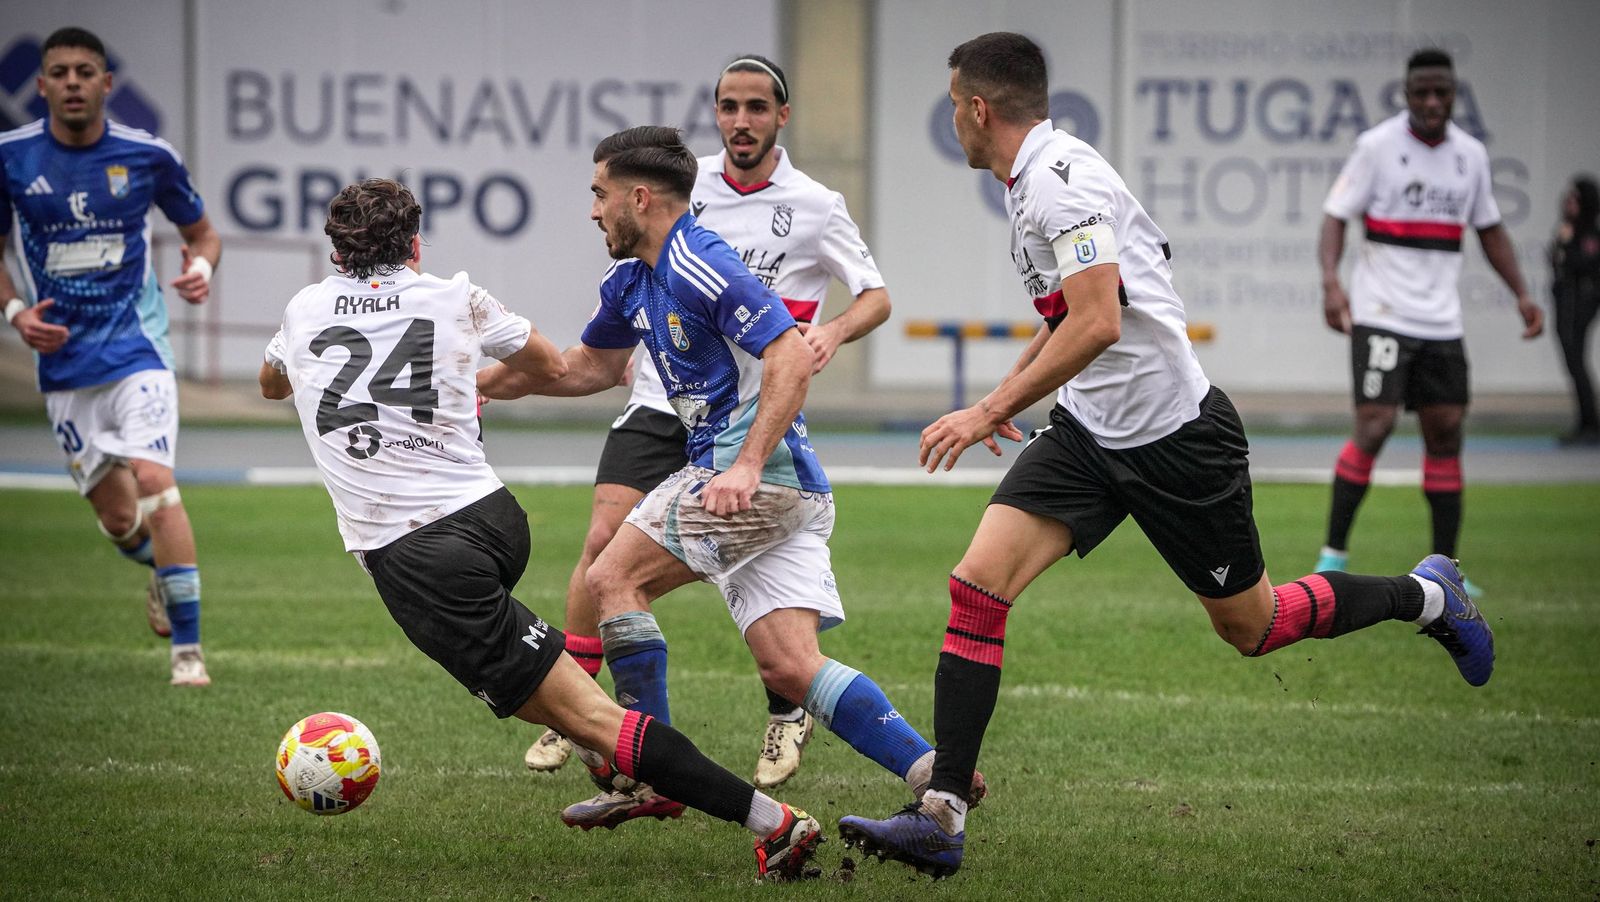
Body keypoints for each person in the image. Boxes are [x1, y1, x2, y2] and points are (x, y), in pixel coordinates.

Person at [836, 32, 1495, 879]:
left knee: (1252, 629)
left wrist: (989, 410)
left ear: (977, 108)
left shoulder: (1057, 183)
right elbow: (1065, 317)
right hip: (1088, 432)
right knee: (977, 585)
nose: (952, 120)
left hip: (1178, 440)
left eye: (953, 102)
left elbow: (1102, 320)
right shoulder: (1029, 181)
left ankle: (1426, 596)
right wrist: (1006, 395)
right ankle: (942, 814)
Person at [258, 178, 822, 881]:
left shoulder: (304, 308)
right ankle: (611, 763)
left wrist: (306, 367)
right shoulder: (455, 294)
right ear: (414, 244)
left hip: (418, 555)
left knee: (589, 716)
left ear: (336, 255)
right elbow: (549, 363)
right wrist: (464, 379)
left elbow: (271, 383)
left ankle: (775, 825)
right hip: (492, 519)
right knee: (536, 696)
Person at [480, 126, 976, 832]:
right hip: (786, 488)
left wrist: (744, 465)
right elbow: (579, 367)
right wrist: (478, 388)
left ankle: (650, 774)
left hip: (754, 477)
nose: (592, 211)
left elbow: (791, 356)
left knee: (611, 578)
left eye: (600, 194)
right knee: (790, 666)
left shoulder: (700, 261)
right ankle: (939, 787)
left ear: (639, 197)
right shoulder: (633, 279)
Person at [521, 54, 892, 791]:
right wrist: (484, 380)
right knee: (603, 551)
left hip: (748, 416)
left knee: (646, 573)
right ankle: (594, 718)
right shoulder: (682, 193)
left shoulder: (814, 204)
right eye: (729, 106)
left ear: (781, 116)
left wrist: (832, 332)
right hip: (663, 398)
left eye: (757, 107)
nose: (741, 120)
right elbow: (590, 355)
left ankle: (702, 738)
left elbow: (874, 296)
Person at [0, 27, 221, 685]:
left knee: (156, 481)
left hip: (138, 349)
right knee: (121, 520)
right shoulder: (10, 157)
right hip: (65, 365)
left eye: (85, 71)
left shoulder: (146, 156)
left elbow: (202, 233)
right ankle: (158, 569)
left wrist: (203, 269)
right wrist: (14, 313)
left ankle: (188, 653)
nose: (72, 82)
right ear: (40, 86)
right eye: (60, 72)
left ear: (106, 83)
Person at [1312, 48, 1544, 585]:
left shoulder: (1471, 156)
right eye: (1422, 92)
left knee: (1446, 433)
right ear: (1407, 93)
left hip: (1442, 322)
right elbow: (1335, 215)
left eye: (1443, 91)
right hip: (1383, 312)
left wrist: (1522, 294)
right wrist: (1331, 282)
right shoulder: (1377, 147)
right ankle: (1332, 555)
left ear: (1454, 93)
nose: (1433, 101)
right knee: (1375, 425)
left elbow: (1489, 229)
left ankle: (1446, 570)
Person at [1550, 175, 1600, 447]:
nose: (1568, 204)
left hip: (1579, 305)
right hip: (1565, 303)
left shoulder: (1589, 234)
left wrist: (1567, 244)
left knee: (1577, 363)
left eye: (1574, 199)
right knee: (1573, 364)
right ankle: (1586, 421)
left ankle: (1590, 423)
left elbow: (1584, 265)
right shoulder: (1566, 230)